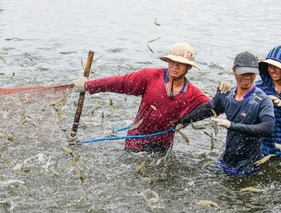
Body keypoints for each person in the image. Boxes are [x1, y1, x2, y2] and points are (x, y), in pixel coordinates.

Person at [72, 43, 217, 153]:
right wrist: (88, 85)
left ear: (189, 68)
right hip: (136, 141)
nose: (175, 66)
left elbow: (214, 107)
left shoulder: (193, 93)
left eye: (181, 64)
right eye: (172, 62)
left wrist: (224, 93)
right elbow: (119, 82)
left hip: (162, 146)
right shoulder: (150, 77)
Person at [176, 52, 274, 175]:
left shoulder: (262, 100)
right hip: (225, 162)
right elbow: (208, 109)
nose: (247, 77)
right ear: (234, 70)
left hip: (249, 167)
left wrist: (231, 125)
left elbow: (268, 127)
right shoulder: (226, 94)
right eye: (243, 73)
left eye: (251, 73)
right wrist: (182, 121)